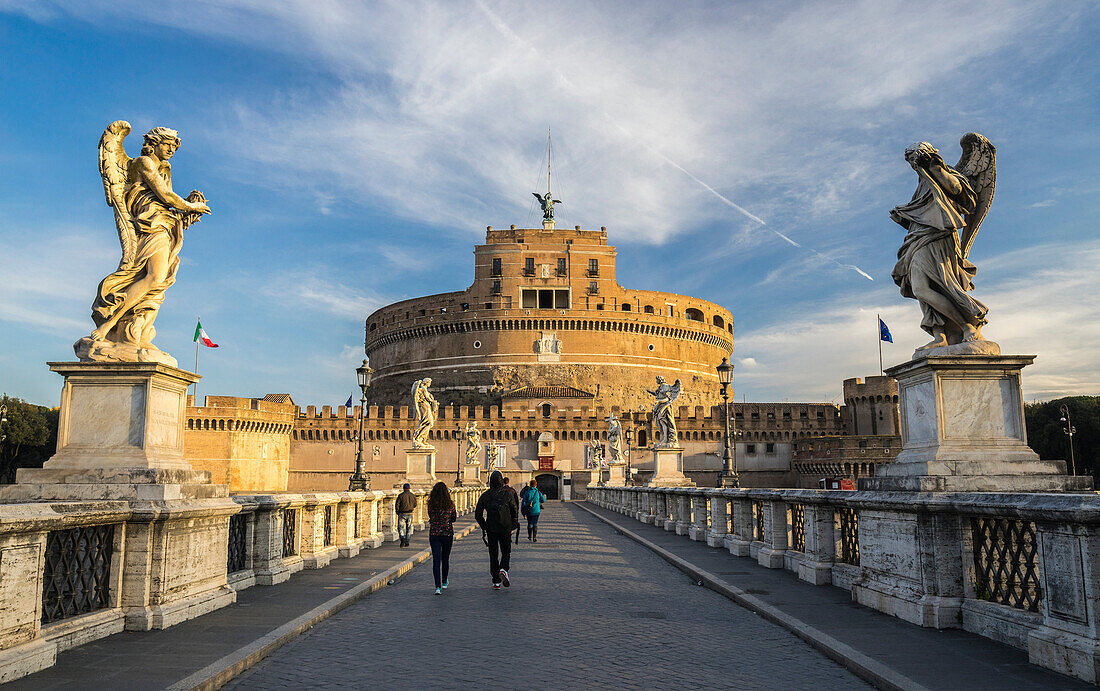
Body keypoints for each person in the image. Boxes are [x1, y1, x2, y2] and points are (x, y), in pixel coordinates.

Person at [475, 470, 519, 589]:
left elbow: (478, 514)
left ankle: (496, 580)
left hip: (491, 528)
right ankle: (504, 569)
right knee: (506, 551)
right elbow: (514, 510)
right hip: (505, 527)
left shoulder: (485, 495)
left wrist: (484, 526)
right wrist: (513, 525)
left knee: (493, 554)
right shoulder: (507, 494)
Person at [427, 481, 457, 595]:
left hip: (434, 534)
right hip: (447, 533)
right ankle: (444, 582)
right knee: (445, 558)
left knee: (436, 560)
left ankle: (437, 587)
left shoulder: (431, 504)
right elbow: (453, 518)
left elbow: (430, 515)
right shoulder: (451, 504)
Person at [395, 483, 417, 547]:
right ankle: (407, 542)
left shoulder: (401, 495)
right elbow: (415, 504)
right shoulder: (413, 495)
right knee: (409, 528)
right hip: (410, 513)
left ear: (403, 488)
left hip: (402, 513)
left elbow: (397, 505)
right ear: (409, 488)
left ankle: (402, 538)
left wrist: (397, 511)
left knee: (400, 527)